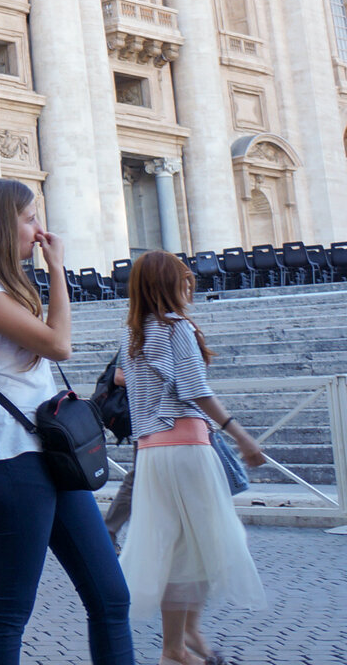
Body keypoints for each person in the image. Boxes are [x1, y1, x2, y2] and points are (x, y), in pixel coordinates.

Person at [0, 177, 131, 665]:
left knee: (111, 596)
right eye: (28, 218)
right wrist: (58, 270)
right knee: (9, 613)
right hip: (12, 459)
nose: (38, 229)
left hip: (48, 454)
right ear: (2, 224)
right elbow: (59, 344)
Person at [118, 251, 265, 665]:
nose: (190, 290)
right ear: (169, 285)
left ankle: (180, 643)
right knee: (207, 544)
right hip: (185, 446)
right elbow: (196, 391)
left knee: (177, 548)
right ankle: (176, 647)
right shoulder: (176, 328)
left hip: (152, 451)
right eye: (185, 282)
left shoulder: (135, 334)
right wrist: (242, 436)